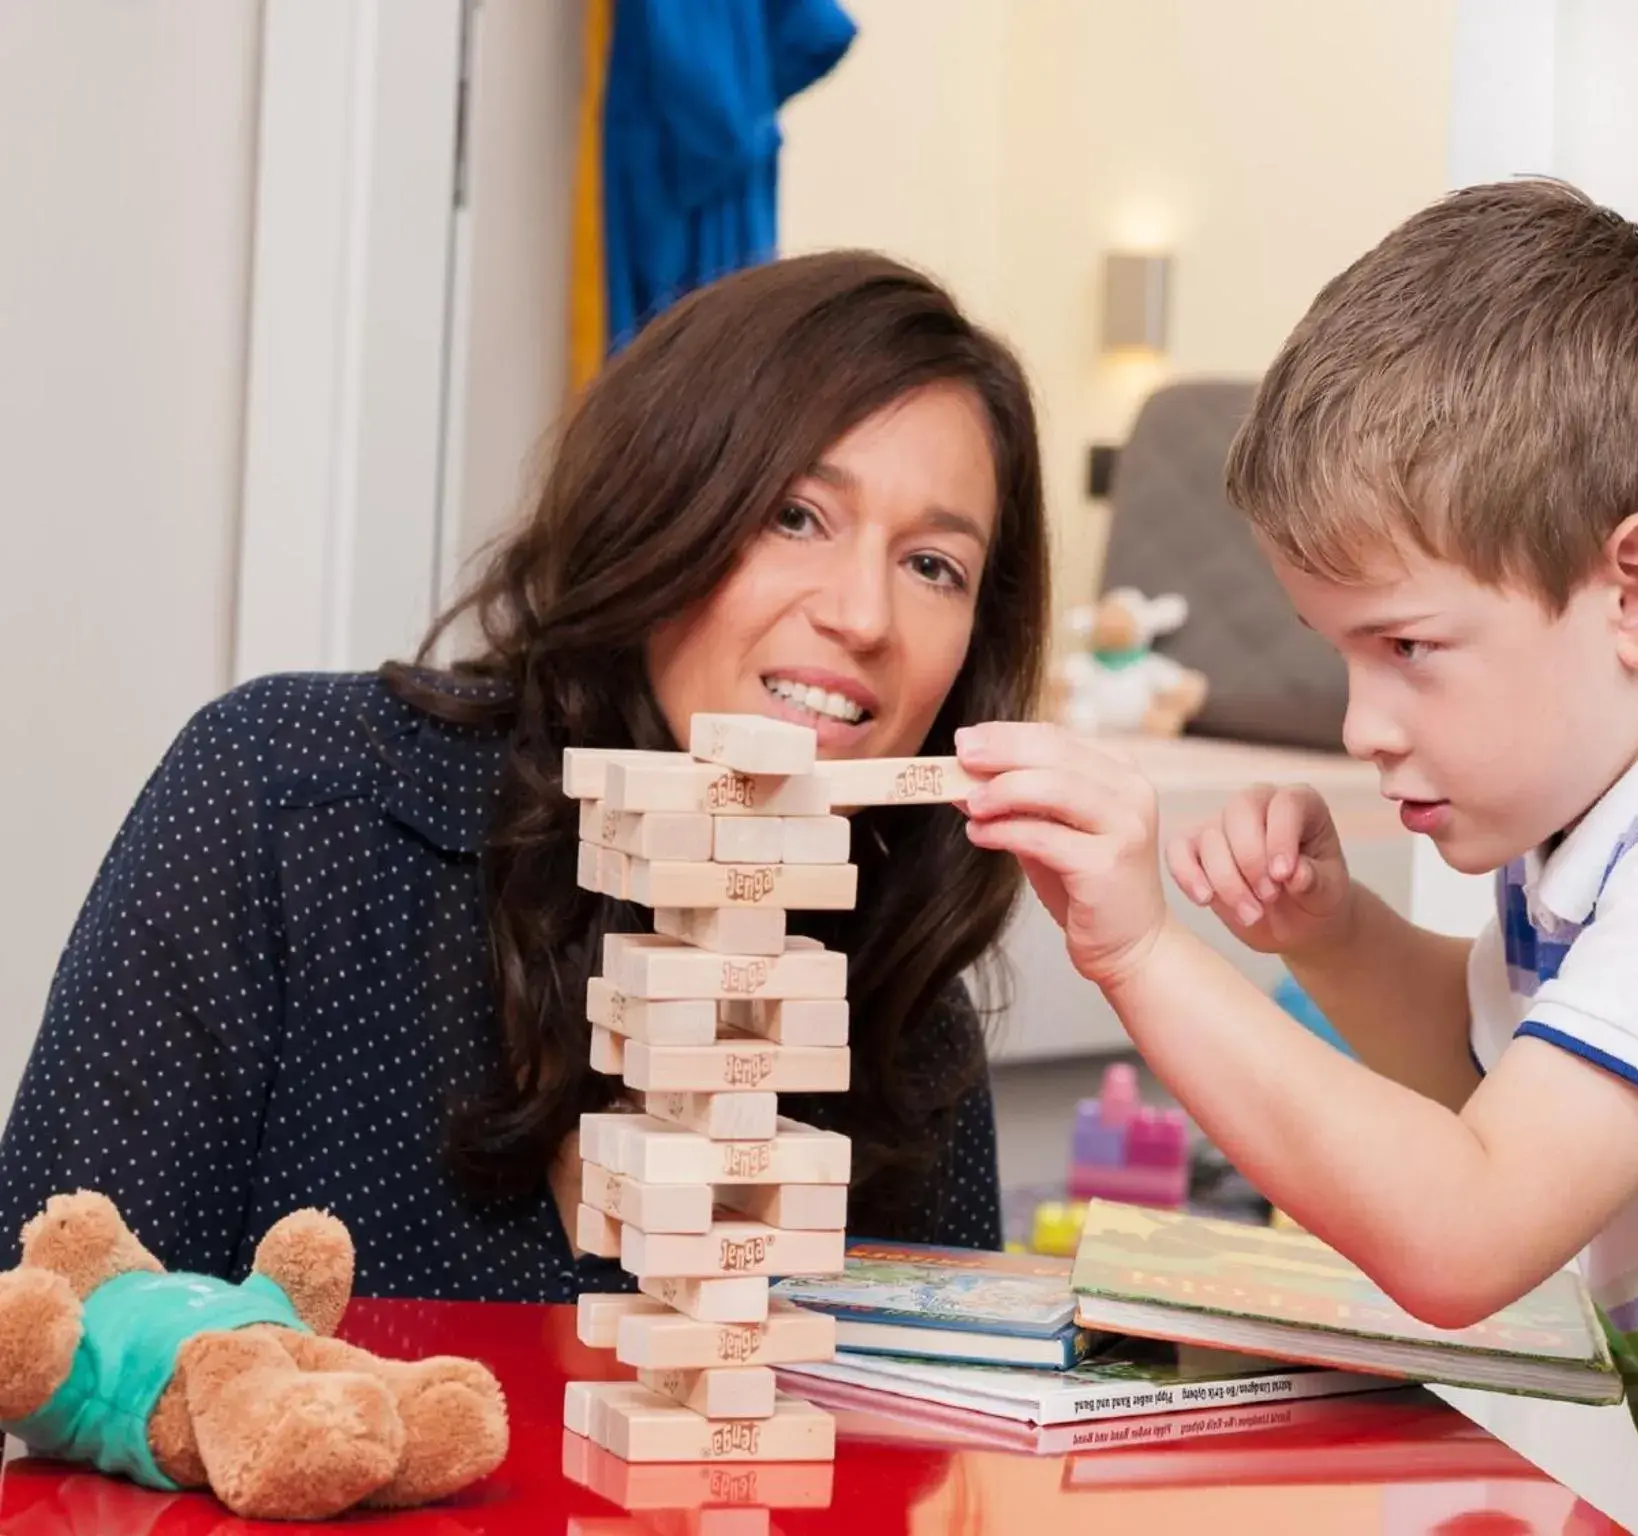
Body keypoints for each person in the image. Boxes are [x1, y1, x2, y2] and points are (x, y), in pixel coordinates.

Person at [957, 180, 1638, 1532]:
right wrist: (1334, 934)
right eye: (1341, 653)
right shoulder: (1603, 835)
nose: (1362, 725)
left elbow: (1466, 1232)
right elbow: (1494, 1088)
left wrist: (1141, 955)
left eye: (1408, 649)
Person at [0, 250, 1050, 1303]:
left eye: (932, 567)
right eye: (794, 515)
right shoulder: (286, 794)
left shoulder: (907, 1015)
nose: (862, 616)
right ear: (663, 503)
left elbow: (936, 1454)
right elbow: (44, 1340)